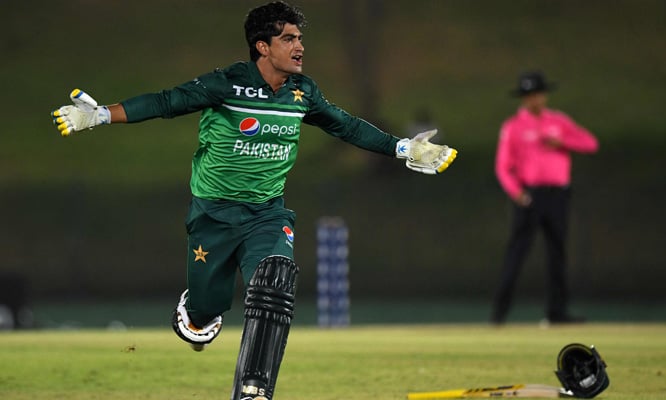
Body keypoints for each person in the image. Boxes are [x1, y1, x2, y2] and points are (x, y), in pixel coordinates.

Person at [50, 2, 457, 399]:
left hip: (266, 213)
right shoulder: (226, 83)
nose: (299, 47)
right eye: (288, 38)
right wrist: (101, 114)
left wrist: (403, 148)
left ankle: (253, 389)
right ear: (262, 46)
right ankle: (197, 312)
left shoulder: (302, 91)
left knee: (276, 277)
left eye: (300, 38)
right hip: (213, 214)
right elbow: (164, 102)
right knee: (206, 312)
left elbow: (345, 126)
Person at [491, 70, 598, 325]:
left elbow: (590, 143)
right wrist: (517, 193)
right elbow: (503, 166)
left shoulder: (558, 122)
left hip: (558, 195)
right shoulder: (513, 127)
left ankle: (557, 312)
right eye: (529, 95)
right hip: (530, 195)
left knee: (557, 253)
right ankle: (499, 314)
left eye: (537, 94)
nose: (534, 100)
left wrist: (562, 140)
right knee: (517, 253)